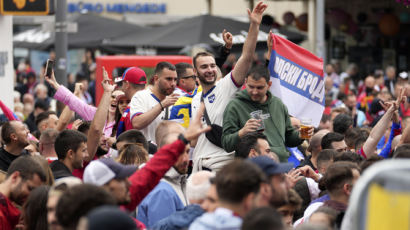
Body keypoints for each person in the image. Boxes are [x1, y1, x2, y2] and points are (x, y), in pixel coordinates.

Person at [191, 2, 268, 172]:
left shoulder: (225, 87)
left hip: (221, 166)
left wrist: (254, 25)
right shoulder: (195, 98)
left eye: (212, 66)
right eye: (204, 67)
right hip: (199, 166)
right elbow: (195, 140)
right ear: (195, 72)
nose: (210, 70)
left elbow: (247, 57)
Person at [223, 66, 311, 162]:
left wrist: (303, 134)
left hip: (281, 165)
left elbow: (289, 139)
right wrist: (242, 132)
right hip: (254, 168)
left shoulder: (278, 104)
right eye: (251, 87)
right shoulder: (235, 106)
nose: (255, 91)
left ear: (269, 85)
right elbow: (227, 144)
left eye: (259, 88)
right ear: (245, 82)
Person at [189, 159, 268, 230]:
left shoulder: (195, 225)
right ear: (249, 200)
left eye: (211, 200)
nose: (204, 206)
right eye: (260, 198)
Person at [137, 132, 190, 228]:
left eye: (187, 152)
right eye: (179, 152)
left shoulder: (179, 180)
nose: (186, 159)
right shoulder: (162, 191)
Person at [130, 62, 178, 143]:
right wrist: (161, 105)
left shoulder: (176, 99)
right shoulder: (141, 96)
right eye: (169, 79)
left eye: (175, 79)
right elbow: (137, 123)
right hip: (146, 154)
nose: (173, 84)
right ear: (156, 79)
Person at [0, 156, 46, 230]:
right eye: (30, 188)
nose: (31, 196)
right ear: (15, 177)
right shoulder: (2, 214)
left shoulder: (10, 213)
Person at [115, 66, 147, 135]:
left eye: (122, 83)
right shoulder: (151, 103)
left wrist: (114, 143)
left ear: (127, 84)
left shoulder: (133, 108)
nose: (122, 87)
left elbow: (131, 142)